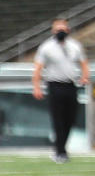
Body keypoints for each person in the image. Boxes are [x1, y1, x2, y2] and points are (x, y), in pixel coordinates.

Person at [31, 18, 90, 163]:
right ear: (53, 31)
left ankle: (61, 148)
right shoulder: (46, 47)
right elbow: (38, 68)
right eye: (58, 30)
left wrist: (85, 77)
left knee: (70, 119)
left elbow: (84, 63)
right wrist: (36, 86)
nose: (61, 32)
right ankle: (60, 151)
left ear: (68, 30)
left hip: (70, 85)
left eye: (63, 29)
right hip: (55, 85)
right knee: (58, 119)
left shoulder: (75, 46)